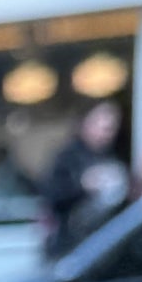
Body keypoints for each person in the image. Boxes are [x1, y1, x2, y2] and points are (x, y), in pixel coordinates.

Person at [40, 99, 129, 256]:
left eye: (110, 129)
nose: (106, 134)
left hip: (102, 243)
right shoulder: (67, 158)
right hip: (71, 245)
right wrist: (82, 185)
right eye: (102, 127)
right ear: (85, 124)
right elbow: (52, 196)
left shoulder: (112, 158)